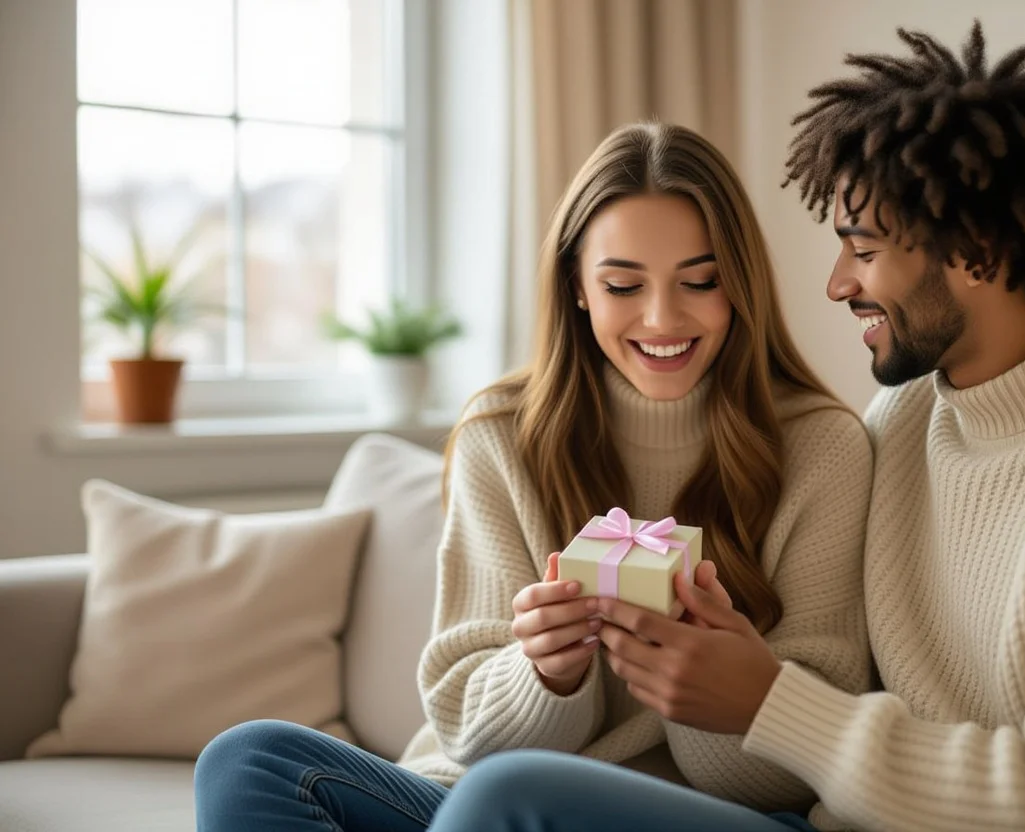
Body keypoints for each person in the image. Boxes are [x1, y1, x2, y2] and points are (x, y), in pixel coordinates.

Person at [413, 20, 1025, 832]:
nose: (836, 284)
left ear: (979, 249)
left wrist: (771, 702)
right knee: (278, 760)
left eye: (864, 247)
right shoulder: (906, 418)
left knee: (506, 801)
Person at [193, 122, 875, 831]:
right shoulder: (500, 435)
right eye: (622, 284)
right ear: (577, 286)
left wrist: (702, 684)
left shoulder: (821, 448)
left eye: (701, 282)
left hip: (697, 812)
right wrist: (546, 674)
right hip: (477, 799)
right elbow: (465, 732)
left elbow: (806, 766)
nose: (662, 317)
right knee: (247, 759)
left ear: (741, 285)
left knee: (510, 795)